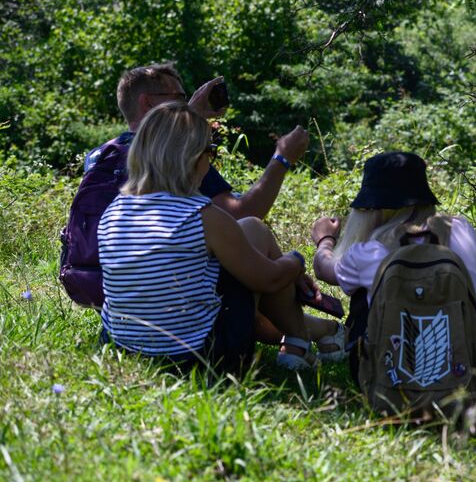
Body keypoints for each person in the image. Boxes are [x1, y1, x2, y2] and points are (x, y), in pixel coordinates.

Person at [60, 62, 325, 313]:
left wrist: (186, 118)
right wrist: (282, 159)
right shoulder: (179, 155)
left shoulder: (100, 155)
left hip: (105, 288)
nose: (185, 103)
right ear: (147, 102)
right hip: (171, 298)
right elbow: (243, 213)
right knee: (251, 234)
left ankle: (310, 331)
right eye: (179, 96)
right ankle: (301, 337)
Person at [98, 102, 326, 372]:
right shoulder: (201, 216)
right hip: (202, 357)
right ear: (192, 157)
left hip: (125, 351)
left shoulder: (113, 211)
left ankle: (300, 341)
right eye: (211, 150)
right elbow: (269, 278)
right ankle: (299, 342)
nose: (211, 159)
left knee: (250, 228)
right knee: (255, 236)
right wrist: (296, 261)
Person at [309, 152, 476, 390]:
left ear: (371, 207)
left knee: (363, 295)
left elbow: (324, 269)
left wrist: (325, 240)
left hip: (386, 379)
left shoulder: (370, 251)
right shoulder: (461, 230)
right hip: (466, 373)